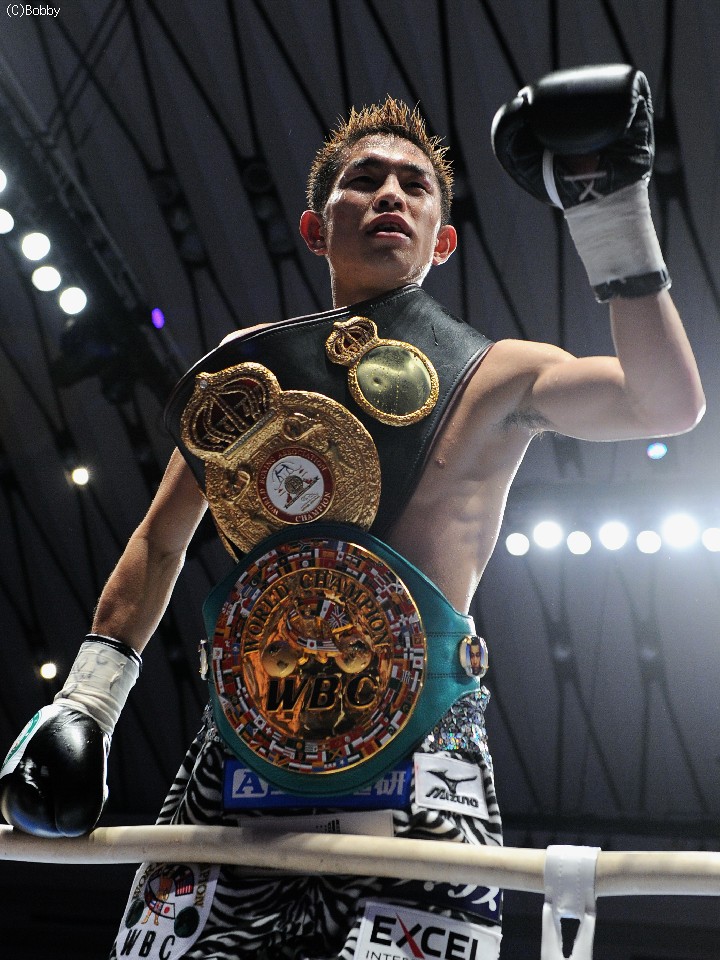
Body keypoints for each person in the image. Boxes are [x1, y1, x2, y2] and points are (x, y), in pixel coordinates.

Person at [0, 65, 704, 960]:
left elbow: (663, 403)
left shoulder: (501, 375)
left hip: (423, 752)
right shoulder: (247, 379)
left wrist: (609, 216)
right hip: (241, 750)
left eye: (415, 185)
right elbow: (160, 540)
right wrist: (85, 707)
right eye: (364, 180)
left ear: (444, 240)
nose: (390, 195)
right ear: (315, 227)